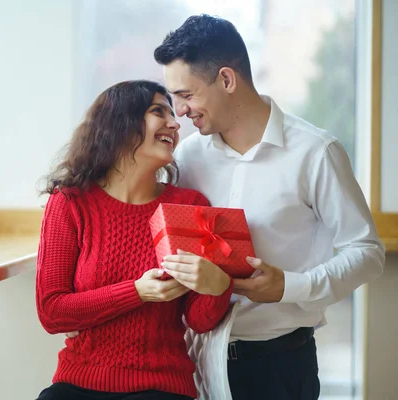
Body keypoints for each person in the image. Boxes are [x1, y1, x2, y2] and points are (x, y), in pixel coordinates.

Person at [154, 14, 385, 400]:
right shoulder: (187, 157)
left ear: (227, 80)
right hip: (194, 359)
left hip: (280, 365)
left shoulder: (315, 152)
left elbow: (367, 253)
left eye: (186, 95)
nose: (179, 112)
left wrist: (288, 286)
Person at [35, 80, 234, 400]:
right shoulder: (70, 203)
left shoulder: (189, 205)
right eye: (159, 111)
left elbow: (198, 320)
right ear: (120, 124)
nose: (175, 122)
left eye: (173, 113)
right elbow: (53, 312)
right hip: (78, 381)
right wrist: (137, 292)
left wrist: (218, 286)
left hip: (161, 385)